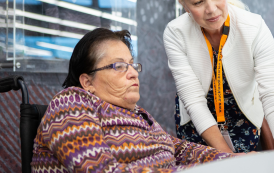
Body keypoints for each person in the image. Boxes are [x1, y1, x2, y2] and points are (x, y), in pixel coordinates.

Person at [31, 28, 234, 173]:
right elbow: (99, 169)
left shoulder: (138, 113)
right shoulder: (71, 103)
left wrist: (231, 161)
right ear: (87, 81)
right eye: (118, 66)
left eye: (131, 65)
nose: (133, 74)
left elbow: (179, 149)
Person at [163, 0, 274, 154]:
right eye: (198, 2)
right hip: (198, 121)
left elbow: (273, 96)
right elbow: (194, 102)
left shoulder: (254, 27)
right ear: (183, 4)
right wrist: (229, 158)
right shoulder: (176, 33)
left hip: (243, 115)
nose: (211, 9)